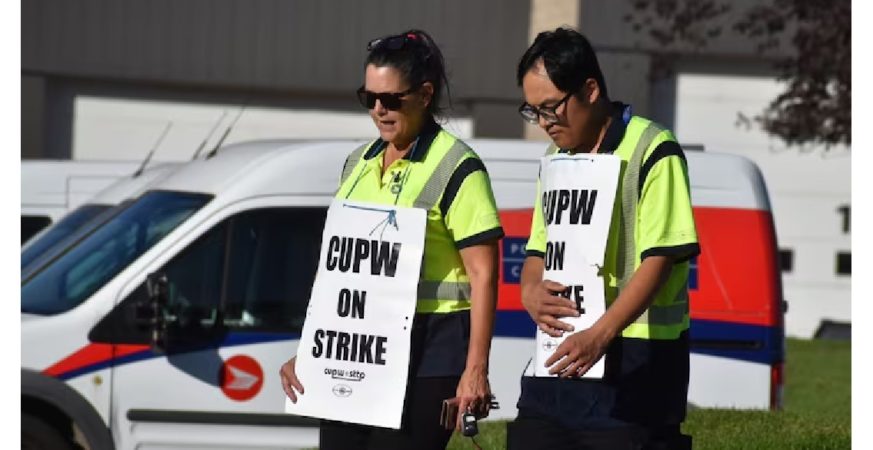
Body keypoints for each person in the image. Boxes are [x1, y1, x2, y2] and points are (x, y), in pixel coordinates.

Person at [279, 29, 503, 450]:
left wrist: (476, 369)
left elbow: (484, 275)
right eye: (370, 98)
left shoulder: (458, 167)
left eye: (392, 100)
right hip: (355, 350)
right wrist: (313, 352)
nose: (379, 110)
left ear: (424, 94)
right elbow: (339, 274)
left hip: (429, 353)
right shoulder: (356, 164)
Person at [507, 27, 700, 450]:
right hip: (560, 357)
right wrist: (528, 289)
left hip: (638, 365)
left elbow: (660, 257)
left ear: (590, 90)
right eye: (533, 111)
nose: (543, 123)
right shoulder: (555, 158)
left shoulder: (654, 149)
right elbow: (539, 246)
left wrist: (600, 334)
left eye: (551, 108)